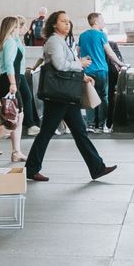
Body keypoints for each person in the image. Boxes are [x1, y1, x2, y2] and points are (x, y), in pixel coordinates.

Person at [24, 11, 117, 183]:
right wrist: (79, 64)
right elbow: (59, 65)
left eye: (69, 21)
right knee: (46, 133)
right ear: (54, 24)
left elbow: (66, 66)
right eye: (63, 21)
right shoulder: (53, 41)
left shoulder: (62, 41)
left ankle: (97, 167)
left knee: (79, 132)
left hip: (66, 95)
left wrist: (82, 75)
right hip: (59, 96)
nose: (67, 24)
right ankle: (31, 168)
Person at [0, 16, 27, 161]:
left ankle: (16, 152)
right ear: (13, 28)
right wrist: (13, 84)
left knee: (17, 116)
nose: (19, 29)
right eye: (18, 26)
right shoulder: (10, 42)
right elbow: (9, 64)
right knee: (14, 118)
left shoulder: (8, 41)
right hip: (9, 82)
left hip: (8, 81)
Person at [77, 13, 113, 133]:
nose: (104, 22)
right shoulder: (102, 35)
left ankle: (90, 124)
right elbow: (109, 52)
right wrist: (120, 63)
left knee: (90, 96)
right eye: (102, 19)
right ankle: (102, 125)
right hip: (101, 70)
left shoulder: (82, 36)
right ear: (96, 21)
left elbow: (78, 53)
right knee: (103, 97)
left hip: (87, 71)